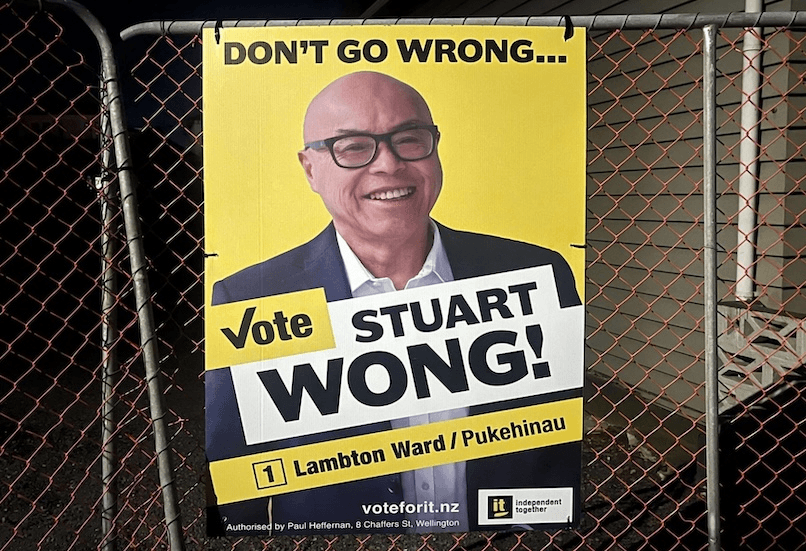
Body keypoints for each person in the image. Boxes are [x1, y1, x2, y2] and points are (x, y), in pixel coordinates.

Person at [207, 71, 581, 535]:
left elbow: (560, 443)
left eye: (409, 139)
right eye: (352, 147)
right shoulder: (252, 300)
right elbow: (233, 476)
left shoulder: (536, 275)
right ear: (310, 169)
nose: (388, 164)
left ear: (435, 147)